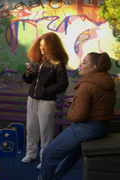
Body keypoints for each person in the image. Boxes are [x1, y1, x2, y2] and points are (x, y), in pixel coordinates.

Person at [38, 52, 116, 180]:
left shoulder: (86, 85)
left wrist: (73, 108)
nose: (80, 65)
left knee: (49, 154)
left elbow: (79, 116)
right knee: (72, 156)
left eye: (84, 62)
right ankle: (56, 177)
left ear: (94, 67)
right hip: (100, 128)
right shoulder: (106, 82)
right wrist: (76, 101)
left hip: (85, 128)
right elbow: (98, 104)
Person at [21, 32, 69, 169]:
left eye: (45, 46)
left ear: (52, 46)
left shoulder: (57, 64)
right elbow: (30, 80)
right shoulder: (35, 60)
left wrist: (47, 91)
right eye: (40, 45)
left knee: (46, 130)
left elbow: (63, 83)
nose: (42, 49)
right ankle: (30, 153)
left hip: (46, 101)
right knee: (31, 128)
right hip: (32, 99)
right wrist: (27, 75)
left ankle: (45, 158)